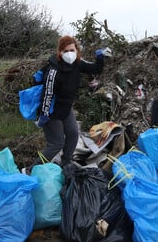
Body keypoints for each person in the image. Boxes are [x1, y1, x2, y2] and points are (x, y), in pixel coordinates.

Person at [35, 36, 111, 167]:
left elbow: (95, 69)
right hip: (51, 109)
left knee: (73, 134)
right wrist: (44, 113)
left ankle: (66, 163)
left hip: (66, 107)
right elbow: (47, 92)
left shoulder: (77, 64)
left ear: (77, 51)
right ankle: (32, 168)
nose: (69, 54)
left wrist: (100, 58)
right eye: (66, 51)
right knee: (56, 143)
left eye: (72, 50)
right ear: (60, 52)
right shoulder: (53, 69)